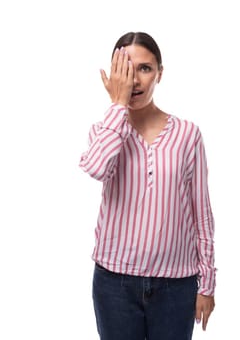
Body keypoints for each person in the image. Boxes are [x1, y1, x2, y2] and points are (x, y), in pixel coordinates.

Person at [79, 31, 216, 340]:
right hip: (115, 284)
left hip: (176, 285)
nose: (135, 80)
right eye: (125, 69)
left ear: (160, 73)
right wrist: (117, 105)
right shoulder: (104, 131)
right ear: (114, 75)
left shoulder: (188, 135)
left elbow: (201, 213)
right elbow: (97, 168)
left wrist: (206, 283)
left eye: (144, 68)